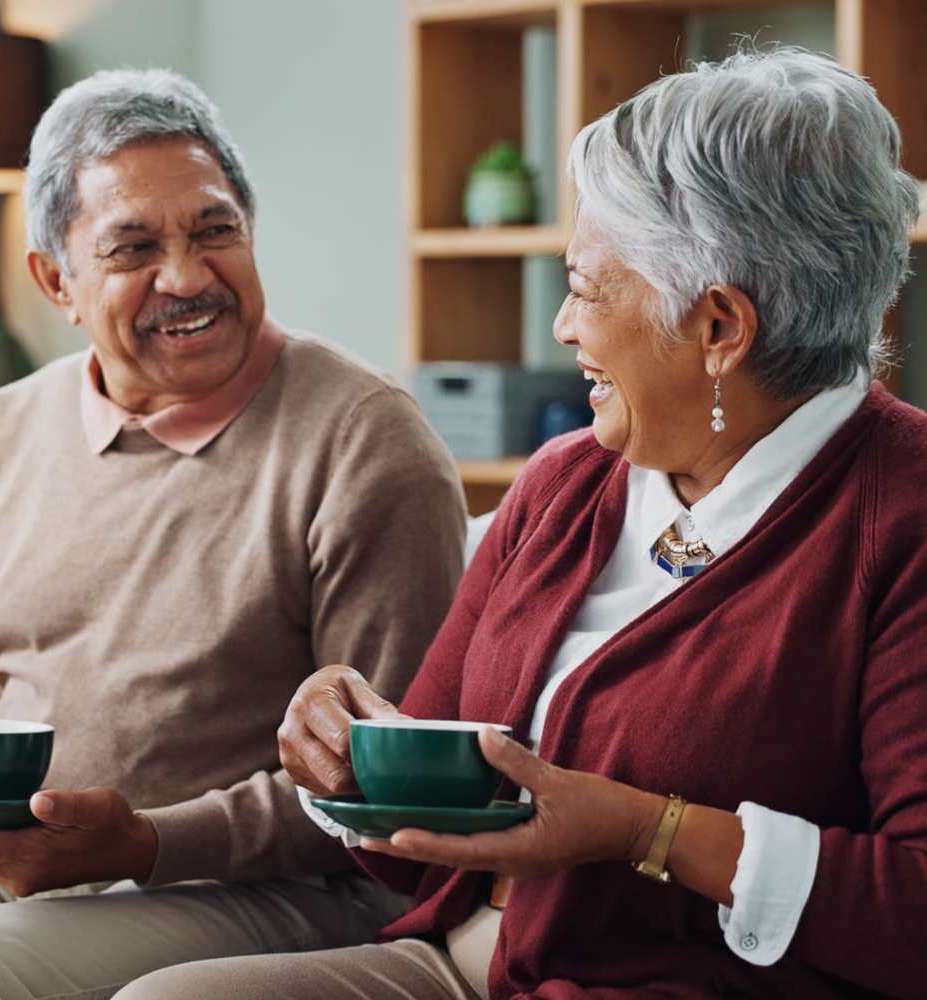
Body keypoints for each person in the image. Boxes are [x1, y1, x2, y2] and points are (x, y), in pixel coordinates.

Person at [116, 46, 927, 1000]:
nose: (563, 327)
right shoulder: (565, 482)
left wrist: (647, 830)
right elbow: (416, 840)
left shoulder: (901, 518)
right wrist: (348, 754)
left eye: (585, 287)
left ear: (718, 327)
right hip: (461, 960)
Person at [0, 69, 467, 999]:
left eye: (216, 232)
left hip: (287, 886)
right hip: (32, 858)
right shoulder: (2, 430)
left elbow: (392, 788)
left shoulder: (364, 438)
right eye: (134, 247)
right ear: (56, 280)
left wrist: (145, 842)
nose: (186, 278)